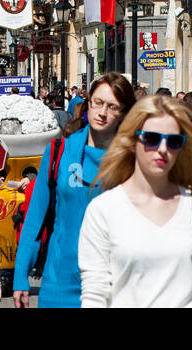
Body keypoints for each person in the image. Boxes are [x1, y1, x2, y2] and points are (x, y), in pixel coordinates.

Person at [78, 94, 192, 309]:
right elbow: (95, 295)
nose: (163, 149)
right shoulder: (103, 210)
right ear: (132, 142)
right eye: (151, 139)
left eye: (174, 141)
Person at [13, 71, 136, 309]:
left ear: (124, 114)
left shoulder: (133, 158)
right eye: (97, 103)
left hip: (114, 285)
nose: (102, 113)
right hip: (60, 282)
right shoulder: (60, 151)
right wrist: (21, 275)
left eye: (112, 107)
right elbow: (35, 218)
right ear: (87, 103)